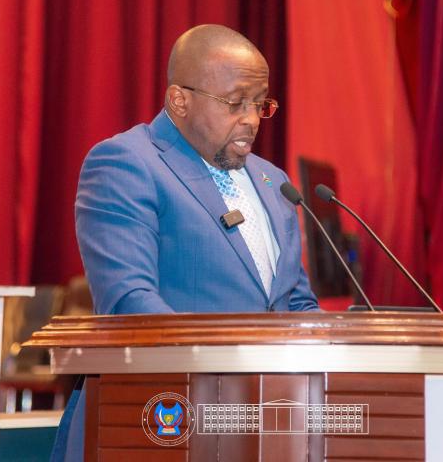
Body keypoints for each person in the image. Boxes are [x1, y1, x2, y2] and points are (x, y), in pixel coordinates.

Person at [52, 24, 318, 460]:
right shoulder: (126, 163)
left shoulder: (275, 182)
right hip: (157, 420)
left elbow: (294, 305)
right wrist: (227, 377)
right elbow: (130, 305)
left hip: (260, 427)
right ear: (179, 100)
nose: (251, 119)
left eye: (260, 104)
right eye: (235, 103)